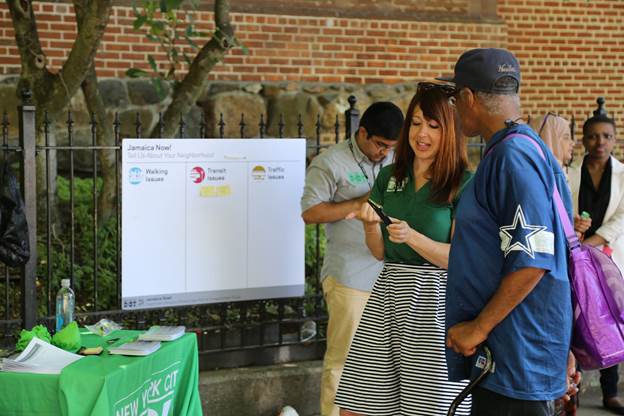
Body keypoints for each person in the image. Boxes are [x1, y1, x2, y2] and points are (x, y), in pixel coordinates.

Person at [440, 48, 574, 415]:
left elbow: (534, 260)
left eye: (454, 98)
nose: (453, 108)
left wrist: (478, 328)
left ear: (467, 98)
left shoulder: (511, 157)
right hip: (521, 352)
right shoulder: (530, 149)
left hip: (514, 355)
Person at [334, 83, 473, 415]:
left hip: (435, 301)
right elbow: (380, 252)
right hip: (388, 293)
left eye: (433, 126)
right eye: (416, 122)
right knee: (356, 404)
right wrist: (370, 224)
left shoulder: (463, 183)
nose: (421, 133)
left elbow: (460, 258)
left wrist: (412, 237)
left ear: (450, 130)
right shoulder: (388, 177)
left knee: (429, 406)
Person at [300, 101, 404, 416]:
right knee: (344, 361)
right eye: (380, 145)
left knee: (388, 363)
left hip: (393, 273)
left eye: (391, 147)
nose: (385, 152)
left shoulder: (398, 160)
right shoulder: (330, 162)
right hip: (350, 276)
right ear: (362, 133)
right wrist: (358, 205)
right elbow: (310, 212)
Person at [567, 98, 624, 415]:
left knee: (608, 320)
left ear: (614, 139)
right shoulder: (570, 174)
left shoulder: (623, 175)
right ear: (583, 140)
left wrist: (592, 241)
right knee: (575, 319)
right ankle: (571, 389)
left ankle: (609, 391)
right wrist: (577, 231)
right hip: (576, 256)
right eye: (593, 136)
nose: (599, 142)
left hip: (609, 256)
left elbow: (622, 217)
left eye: (606, 136)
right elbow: (562, 209)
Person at [530, 112, 583, 416]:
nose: (571, 143)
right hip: (549, 288)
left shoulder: (557, 176)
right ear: (548, 139)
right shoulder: (546, 179)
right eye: (564, 136)